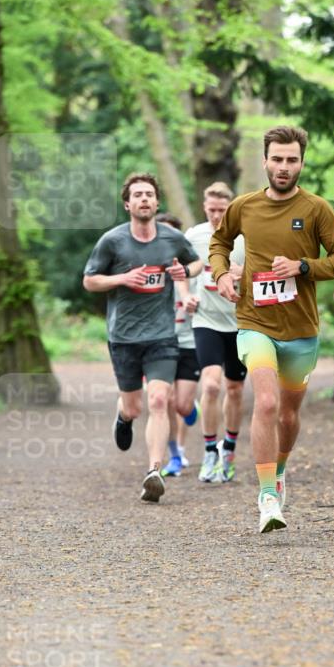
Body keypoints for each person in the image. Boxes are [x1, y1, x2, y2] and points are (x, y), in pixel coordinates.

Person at [209, 126, 334, 533]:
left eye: (292, 160)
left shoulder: (317, 209)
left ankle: (280, 471)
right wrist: (222, 274)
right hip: (255, 322)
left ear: (302, 162)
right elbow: (219, 245)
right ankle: (267, 497)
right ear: (265, 161)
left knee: (289, 414)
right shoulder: (244, 206)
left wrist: (303, 266)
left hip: (301, 329)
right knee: (267, 403)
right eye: (277, 159)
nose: (284, 167)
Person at [83, 173, 202, 503]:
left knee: (160, 400)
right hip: (123, 336)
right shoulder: (112, 241)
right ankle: (122, 415)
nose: (144, 199)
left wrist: (184, 273)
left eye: (149, 194)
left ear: (157, 201)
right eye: (138, 195)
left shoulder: (172, 238)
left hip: (162, 335)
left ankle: (154, 472)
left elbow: (196, 264)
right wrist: (123, 278)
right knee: (135, 406)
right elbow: (90, 281)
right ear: (127, 204)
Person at [186, 182, 246, 484]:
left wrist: (242, 274)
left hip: (240, 323)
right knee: (210, 385)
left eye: (222, 211)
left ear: (231, 208)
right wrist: (186, 296)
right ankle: (210, 450)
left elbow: (263, 276)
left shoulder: (246, 237)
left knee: (234, 389)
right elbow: (181, 271)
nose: (216, 216)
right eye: (211, 210)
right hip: (206, 320)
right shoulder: (194, 236)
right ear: (204, 207)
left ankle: (229, 451)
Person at [155, 213, 201, 478]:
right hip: (159, 341)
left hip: (189, 340)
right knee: (164, 399)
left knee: (182, 405)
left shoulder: (191, 269)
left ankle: (191, 407)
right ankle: (173, 454)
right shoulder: (148, 266)